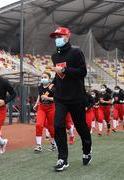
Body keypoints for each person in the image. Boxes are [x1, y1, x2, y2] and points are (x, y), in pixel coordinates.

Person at [49, 27, 92, 172]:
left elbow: (82, 72)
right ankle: (62, 159)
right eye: (56, 36)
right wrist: (53, 84)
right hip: (60, 98)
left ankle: (87, 150)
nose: (57, 38)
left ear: (68, 36)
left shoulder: (76, 52)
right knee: (58, 125)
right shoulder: (55, 56)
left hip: (76, 98)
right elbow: (58, 76)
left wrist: (65, 70)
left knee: (81, 127)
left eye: (60, 36)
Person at [33, 72, 57, 152]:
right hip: (41, 107)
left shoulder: (53, 87)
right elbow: (39, 95)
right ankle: (38, 145)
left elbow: (56, 98)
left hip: (51, 108)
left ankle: (53, 144)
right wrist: (36, 104)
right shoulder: (40, 86)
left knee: (51, 127)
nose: (43, 79)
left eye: (45, 77)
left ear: (49, 79)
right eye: (42, 77)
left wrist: (48, 98)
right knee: (39, 124)